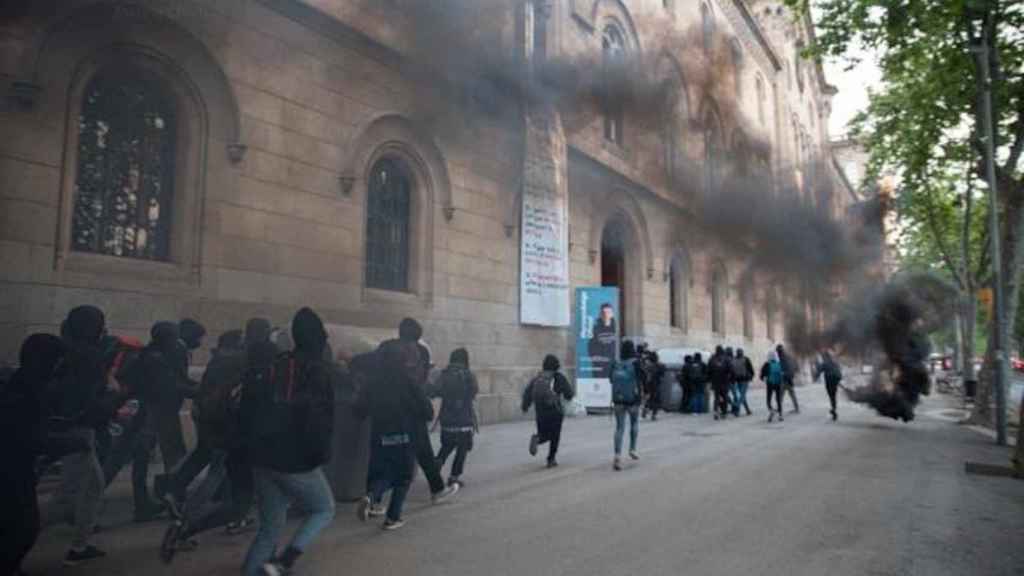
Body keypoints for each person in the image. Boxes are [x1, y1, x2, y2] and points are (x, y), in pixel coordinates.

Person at [240, 308, 337, 576]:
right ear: (320, 339)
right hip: (295, 460)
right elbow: (317, 421)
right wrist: (318, 457)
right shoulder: (318, 370)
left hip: (262, 456)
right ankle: (285, 562)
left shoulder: (277, 363)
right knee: (324, 509)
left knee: (270, 527)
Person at [160, 330, 255, 564]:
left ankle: (177, 497)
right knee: (215, 473)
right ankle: (185, 521)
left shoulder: (217, 361)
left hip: (210, 421)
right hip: (225, 428)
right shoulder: (237, 363)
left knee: (212, 467)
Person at [0, 334, 88, 576]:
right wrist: (70, 442)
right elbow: (29, 438)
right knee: (20, 530)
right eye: (59, 360)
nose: (62, 367)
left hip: (17, 468)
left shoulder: (29, 384)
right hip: (11, 470)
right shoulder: (24, 390)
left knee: (19, 529)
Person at [41, 306, 113, 565]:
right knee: (87, 487)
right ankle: (78, 546)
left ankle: (79, 544)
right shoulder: (88, 356)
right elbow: (88, 397)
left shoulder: (68, 350)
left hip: (68, 426)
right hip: (78, 428)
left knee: (71, 490)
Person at [103, 322, 183, 522]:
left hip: (136, 415)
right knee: (123, 461)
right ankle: (84, 507)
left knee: (134, 462)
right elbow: (168, 388)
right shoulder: (156, 360)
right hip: (144, 418)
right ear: (168, 338)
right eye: (174, 337)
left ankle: (141, 504)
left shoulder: (144, 354)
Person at [355, 337, 434, 530]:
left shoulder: (372, 382)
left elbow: (359, 410)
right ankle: (393, 517)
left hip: (379, 436)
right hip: (404, 436)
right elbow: (427, 411)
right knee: (403, 477)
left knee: (383, 473)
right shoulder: (409, 381)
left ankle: (372, 496)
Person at [386, 318, 458, 504]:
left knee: (388, 452)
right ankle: (437, 489)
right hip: (412, 407)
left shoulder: (386, 347)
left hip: (387, 407)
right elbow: (421, 382)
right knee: (422, 451)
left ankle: (373, 497)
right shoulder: (420, 351)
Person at [431, 348, 479, 486]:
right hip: (464, 419)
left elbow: (435, 391)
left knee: (447, 445)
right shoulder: (469, 374)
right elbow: (474, 391)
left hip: (447, 418)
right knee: (462, 450)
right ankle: (454, 477)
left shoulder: (444, 374)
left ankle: (436, 465)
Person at [521, 354, 574, 468]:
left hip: (540, 412)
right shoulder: (559, 377)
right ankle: (551, 459)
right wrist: (566, 397)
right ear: (556, 366)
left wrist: (525, 406)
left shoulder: (538, 378)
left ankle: (538, 438)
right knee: (554, 436)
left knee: (543, 434)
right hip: (555, 412)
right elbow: (569, 393)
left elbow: (527, 393)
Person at [610, 341, 643, 471]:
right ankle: (632, 449)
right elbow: (642, 378)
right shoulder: (636, 362)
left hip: (618, 399)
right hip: (632, 399)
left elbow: (610, 379)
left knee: (619, 427)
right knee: (634, 423)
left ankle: (617, 455)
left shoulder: (615, 363)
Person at [587, 303, 618, 378]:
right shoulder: (596, 328)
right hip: (600, 367)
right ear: (601, 314)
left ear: (612, 314)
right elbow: (591, 346)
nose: (606, 315)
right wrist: (597, 362)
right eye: (604, 313)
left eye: (608, 312)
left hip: (613, 365)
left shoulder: (616, 328)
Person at [814, 350, 844, 421]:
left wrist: (816, 377)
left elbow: (819, 370)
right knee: (833, 396)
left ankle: (833, 410)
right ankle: (833, 409)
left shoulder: (825, 363)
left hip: (829, 381)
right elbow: (839, 371)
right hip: (835, 381)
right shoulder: (835, 362)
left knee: (831, 396)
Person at [707, 346, 732, 420]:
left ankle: (716, 412)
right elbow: (731, 370)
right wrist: (731, 379)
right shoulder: (726, 358)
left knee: (716, 398)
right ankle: (724, 413)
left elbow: (708, 371)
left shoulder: (712, 359)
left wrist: (709, 380)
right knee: (724, 397)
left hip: (715, 382)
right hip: (724, 381)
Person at [760, 351, 785, 422]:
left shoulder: (766, 364)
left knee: (768, 399)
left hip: (770, 384)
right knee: (778, 400)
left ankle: (771, 410)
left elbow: (762, 376)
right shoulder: (779, 363)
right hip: (778, 384)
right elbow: (783, 373)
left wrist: (763, 378)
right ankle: (780, 415)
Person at [777, 344, 800, 414]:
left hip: (785, 379)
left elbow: (782, 369)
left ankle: (779, 408)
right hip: (790, 379)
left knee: (780, 395)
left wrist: (782, 373)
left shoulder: (782, 358)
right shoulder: (788, 356)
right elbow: (794, 366)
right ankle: (796, 408)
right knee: (792, 394)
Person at [732, 348, 754, 416]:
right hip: (745, 379)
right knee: (742, 395)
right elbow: (751, 368)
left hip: (737, 379)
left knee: (742, 395)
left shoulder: (733, 359)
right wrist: (751, 376)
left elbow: (732, 370)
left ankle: (746, 410)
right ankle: (736, 405)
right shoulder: (746, 359)